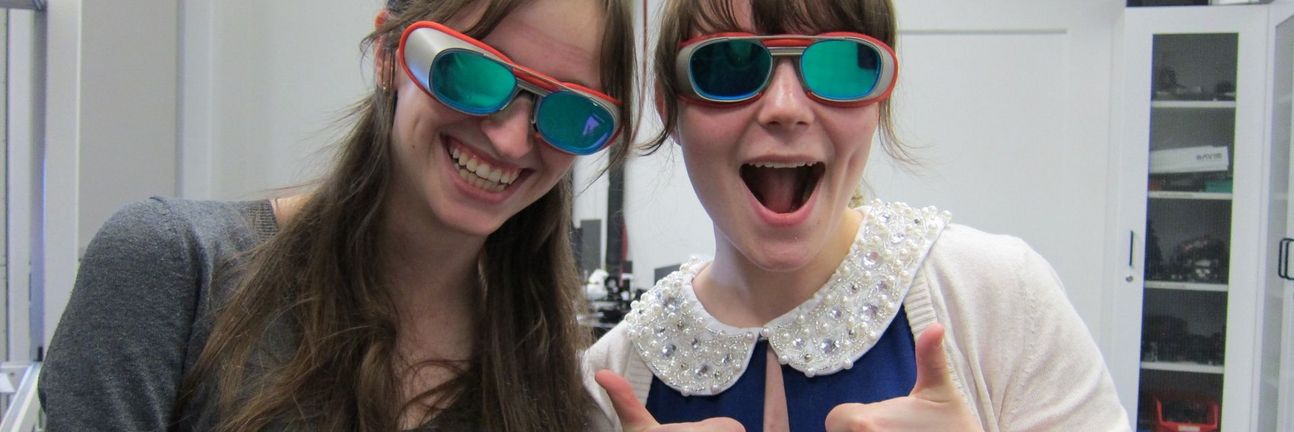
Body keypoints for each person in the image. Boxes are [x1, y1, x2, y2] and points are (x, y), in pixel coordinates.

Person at [39, 0, 635, 430]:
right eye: (472, 74)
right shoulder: (172, 270)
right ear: (387, 56)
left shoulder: (551, 383)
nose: (509, 142)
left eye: (567, 114)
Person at [583, 0, 1130, 431]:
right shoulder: (610, 375)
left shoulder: (999, 297)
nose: (785, 109)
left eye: (841, 65)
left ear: (878, 102)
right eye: (730, 66)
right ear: (668, 107)